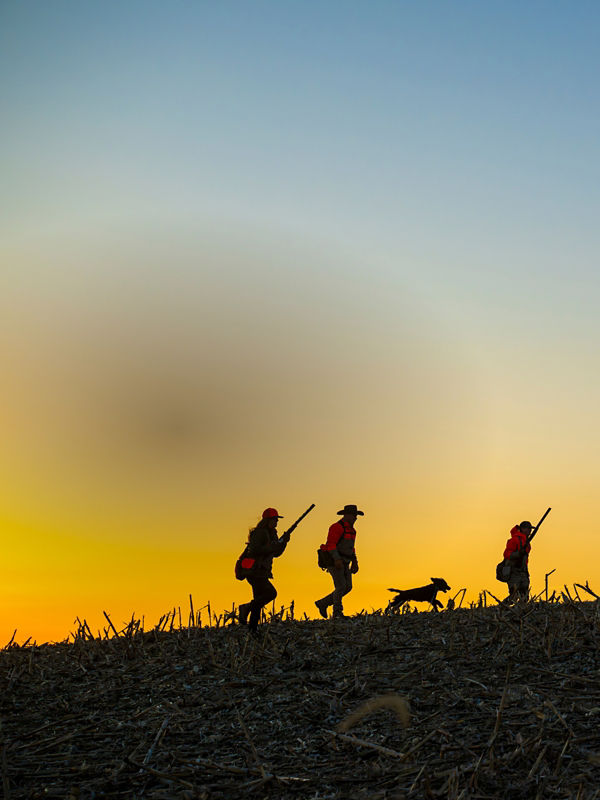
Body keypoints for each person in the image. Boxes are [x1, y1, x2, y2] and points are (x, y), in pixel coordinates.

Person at [238, 508, 290, 633]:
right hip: (254, 571)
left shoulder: (272, 533)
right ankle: (246, 608)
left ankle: (252, 629)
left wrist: (284, 543)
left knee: (258, 600)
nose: (276, 522)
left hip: (262, 571)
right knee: (271, 594)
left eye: (277, 520)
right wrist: (273, 546)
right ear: (267, 520)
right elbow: (255, 550)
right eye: (274, 520)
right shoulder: (260, 533)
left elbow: (276, 553)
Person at [315, 504, 363, 619]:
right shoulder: (336, 527)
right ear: (346, 515)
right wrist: (336, 559)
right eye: (353, 515)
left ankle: (323, 603)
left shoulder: (352, 531)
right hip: (334, 561)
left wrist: (355, 561)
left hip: (345, 561)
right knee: (341, 586)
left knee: (348, 587)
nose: (355, 518)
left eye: (356, 515)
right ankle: (337, 612)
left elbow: (352, 548)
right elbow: (331, 544)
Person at [503, 520, 533, 602]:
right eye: (527, 529)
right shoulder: (515, 540)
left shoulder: (526, 542)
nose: (529, 531)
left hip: (523, 571)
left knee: (524, 595)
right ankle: (502, 609)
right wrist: (517, 554)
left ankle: (521, 613)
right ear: (522, 529)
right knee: (514, 595)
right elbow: (506, 554)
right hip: (514, 571)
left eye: (530, 529)